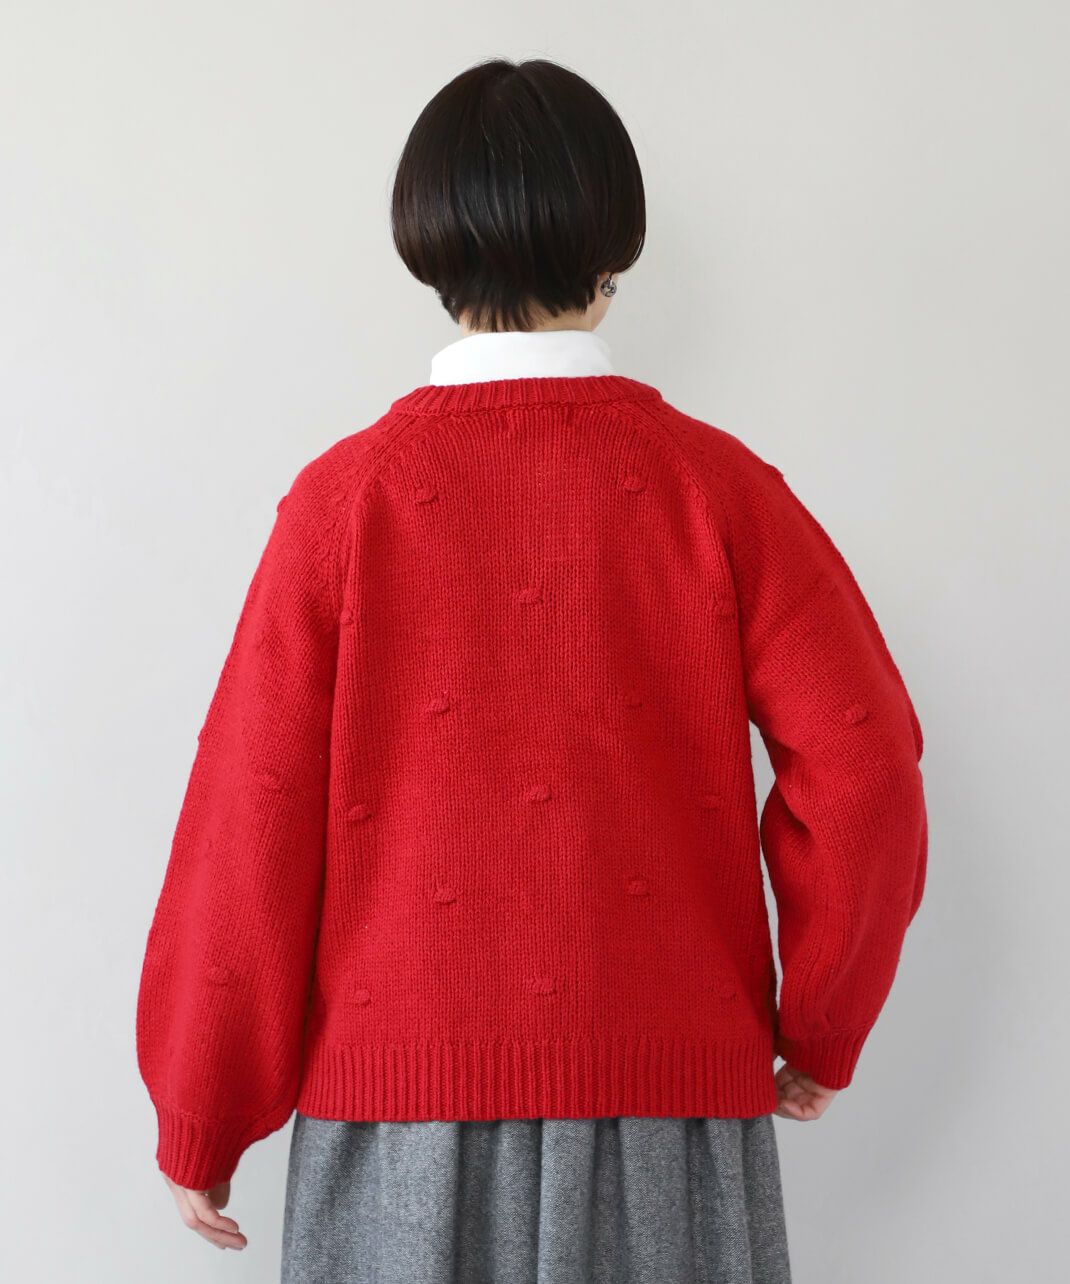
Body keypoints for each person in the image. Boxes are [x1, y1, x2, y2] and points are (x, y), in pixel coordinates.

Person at [135, 57, 927, 1284]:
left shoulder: (344, 503)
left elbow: (252, 811)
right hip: (669, 1110)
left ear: (426, 243)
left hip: (394, 1117)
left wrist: (204, 1104)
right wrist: (820, 1024)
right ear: (613, 244)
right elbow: (864, 766)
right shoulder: (719, 490)